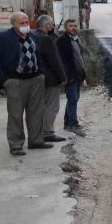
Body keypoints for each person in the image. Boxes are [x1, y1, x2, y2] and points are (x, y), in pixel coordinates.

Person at [0, 12, 53, 155]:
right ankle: (16, 144)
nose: (25, 25)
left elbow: (38, 56)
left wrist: (41, 73)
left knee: (36, 112)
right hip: (15, 81)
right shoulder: (2, 38)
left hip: (35, 80)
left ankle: (36, 141)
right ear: (13, 24)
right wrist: (5, 81)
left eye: (26, 22)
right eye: (22, 23)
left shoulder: (33, 37)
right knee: (15, 114)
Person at [32, 15, 67, 143]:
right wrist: (62, 77)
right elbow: (54, 61)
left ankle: (38, 131)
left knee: (39, 106)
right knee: (52, 106)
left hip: (36, 77)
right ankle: (48, 132)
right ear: (46, 25)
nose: (53, 27)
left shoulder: (32, 35)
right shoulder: (45, 39)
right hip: (50, 79)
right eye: (52, 24)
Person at [56, 19, 88, 137]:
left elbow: (80, 59)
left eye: (75, 25)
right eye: (71, 26)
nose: (73, 28)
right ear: (65, 27)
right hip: (70, 76)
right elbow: (61, 61)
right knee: (73, 99)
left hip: (78, 75)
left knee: (73, 99)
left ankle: (67, 123)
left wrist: (83, 77)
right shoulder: (62, 41)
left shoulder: (77, 39)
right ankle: (73, 125)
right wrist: (65, 76)